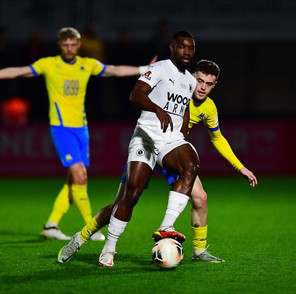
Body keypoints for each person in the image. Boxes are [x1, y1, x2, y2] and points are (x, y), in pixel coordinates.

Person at [57, 59, 257, 266]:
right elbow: (144, 90)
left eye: (209, 84)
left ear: (215, 85)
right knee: (122, 203)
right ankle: (80, 238)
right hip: (148, 144)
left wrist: (239, 167)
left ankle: (198, 250)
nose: (203, 87)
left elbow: (217, 137)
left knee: (201, 198)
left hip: (171, 152)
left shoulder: (209, 107)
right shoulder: (176, 86)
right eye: (200, 81)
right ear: (192, 77)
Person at [0, 27, 153, 242]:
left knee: (74, 181)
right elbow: (18, 71)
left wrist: (146, 68)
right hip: (61, 129)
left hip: (82, 129)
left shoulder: (87, 64)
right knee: (80, 176)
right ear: (59, 46)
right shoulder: (49, 64)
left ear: (78, 45)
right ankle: (93, 226)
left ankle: (51, 225)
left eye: (73, 45)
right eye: (65, 45)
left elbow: (115, 70)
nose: (69, 49)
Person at [58, 30, 199, 267]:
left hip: (169, 140)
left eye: (191, 48)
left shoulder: (191, 81)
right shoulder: (160, 69)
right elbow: (135, 94)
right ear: (172, 47)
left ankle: (166, 225)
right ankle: (98, 244)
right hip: (145, 136)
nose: (187, 52)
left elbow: (184, 109)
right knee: (129, 196)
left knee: (191, 163)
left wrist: (182, 135)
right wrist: (157, 109)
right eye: (182, 47)